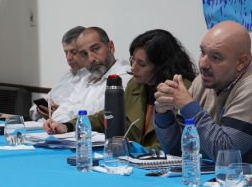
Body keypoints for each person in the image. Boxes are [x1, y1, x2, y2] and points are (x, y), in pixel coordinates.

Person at [153, 20, 252, 171]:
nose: (203, 64)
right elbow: (179, 150)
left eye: (216, 57)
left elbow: (225, 154)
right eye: (203, 52)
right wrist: (164, 114)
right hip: (228, 181)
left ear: (241, 62)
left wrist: (188, 106)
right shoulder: (204, 82)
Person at [44, 29, 197, 149]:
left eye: (141, 64)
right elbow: (110, 115)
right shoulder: (135, 85)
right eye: (132, 60)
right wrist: (68, 125)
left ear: (161, 66)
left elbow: (178, 142)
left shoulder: (181, 89)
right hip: (134, 162)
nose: (133, 68)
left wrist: (136, 151)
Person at [43, 26, 131, 132]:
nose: (91, 59)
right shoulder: (85, 79)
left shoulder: (125, 76)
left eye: (95, 49)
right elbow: (58, 115)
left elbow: (104, 114)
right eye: (84, 54)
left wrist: (73, 111)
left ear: (110, 47)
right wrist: (81, 112)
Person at [28, 26, 87, 122]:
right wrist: (41, 110)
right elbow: (33, 111)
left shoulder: (92, 80)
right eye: (66, 52)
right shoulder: (66, 76)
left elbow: (89, 115)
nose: (68, 57)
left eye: (73, 52)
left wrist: (59, 113)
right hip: (41, 128)